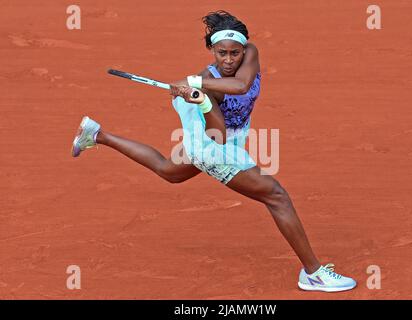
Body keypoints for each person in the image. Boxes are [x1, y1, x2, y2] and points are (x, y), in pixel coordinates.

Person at [71, 10, 356, 292]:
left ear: (245, 48)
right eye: (222, 53)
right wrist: (203, 101)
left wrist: (195, 84)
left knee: (169, 171)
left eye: (235, 52)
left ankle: (98, 134)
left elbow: (242, 84)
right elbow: (217, 136)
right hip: (213, 145)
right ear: (211, 50)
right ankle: (313, 274)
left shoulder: (248, 56)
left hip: (228, 136)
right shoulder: (208, 86)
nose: (229, 59)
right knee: (276, 196)